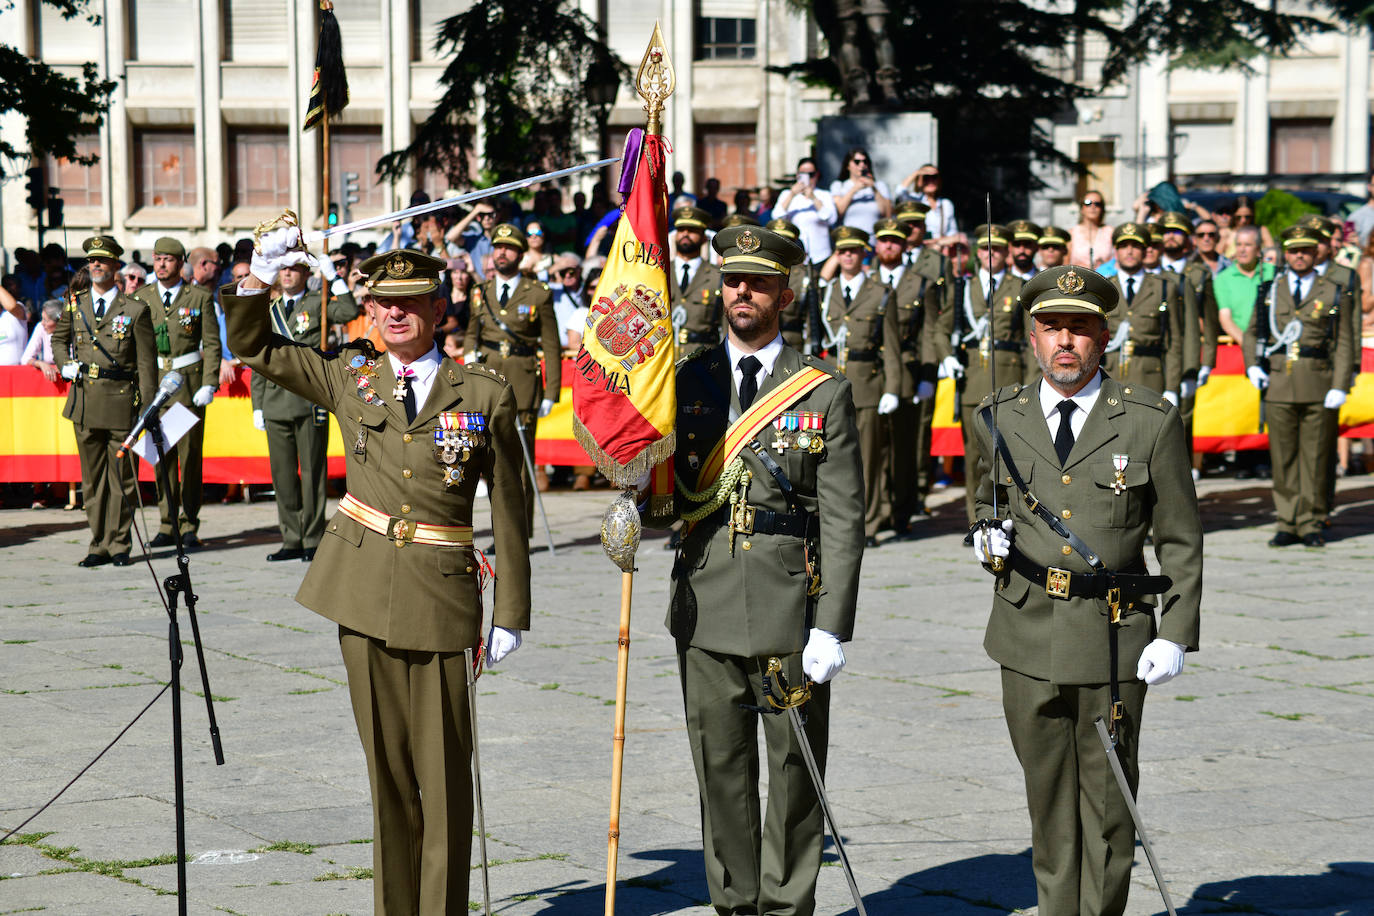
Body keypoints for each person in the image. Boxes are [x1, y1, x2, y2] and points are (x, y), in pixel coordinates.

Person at [223, 231, 531, 915]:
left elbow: (511, 505)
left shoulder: (482, 390)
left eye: (410, 302)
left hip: (443, 596)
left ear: (438, 306)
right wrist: (257, 281)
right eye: (383, 302)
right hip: (360, 594)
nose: (394, 314)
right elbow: (256, 348)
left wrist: (511, 609)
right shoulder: (349, 374)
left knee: (445, 779)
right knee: (388, 778)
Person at [970, 263, 1202, 916]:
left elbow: (1181, 537)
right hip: (1026, 630)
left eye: (1080, 329)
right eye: (1052, 329)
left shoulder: (1148, 422)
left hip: (1113, 636)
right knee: (1046, 798)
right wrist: (984, 536)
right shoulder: (998, 417)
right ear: (1032, 338)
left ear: (1106, 338)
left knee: (1106, 805)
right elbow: (984, 500)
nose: (1065, 342)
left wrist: (1177, 632)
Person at [653, 223, 864, 916]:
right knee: (719, 768)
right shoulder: (686, 378)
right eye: (734, 280)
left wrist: (832, 626)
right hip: (705, 595)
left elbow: (843, 518)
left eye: (760, 282)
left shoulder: (821, 388)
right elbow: (665, 493)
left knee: (795, 770)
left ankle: (787, 905)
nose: (744, 293)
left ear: (786, 291)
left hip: (789, 604)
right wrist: (632, 496)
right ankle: (734, 904)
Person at [1244, 224, 1356, 547]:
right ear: (1285, 254)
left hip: (1319, 380)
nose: (1299, 256)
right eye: (1293, 251)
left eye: (1305, 250)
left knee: (1316, 456)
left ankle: (1310, 521)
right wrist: (1252, 364)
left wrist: (1340, 384)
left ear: (1315, 252)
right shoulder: (1270, 290)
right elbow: (1253, 332)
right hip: (1279, 381)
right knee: (1283, 456)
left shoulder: (1333, 289)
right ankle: (1286, 520)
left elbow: (1344, 340)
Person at [51, 236, 158, 567]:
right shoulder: (75, 303)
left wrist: (148, 410)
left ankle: (119, 543)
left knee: (122, 478)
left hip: (121, 402)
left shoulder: (135, 309)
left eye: (102, 260)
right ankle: (98, 542)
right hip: (84, 402)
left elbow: (146, 365)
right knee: (91, 480)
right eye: (91, 261)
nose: (95, 265)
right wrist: (62, 362)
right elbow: (58, 338)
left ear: (115, 267)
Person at [250, 246, 359, 562]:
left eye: (295, 268)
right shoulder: (268, 310)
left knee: (312, 472)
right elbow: (260, 359)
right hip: (274, 399)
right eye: (283, 269)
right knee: (282, 474)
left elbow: (350, 312)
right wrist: (258, 404)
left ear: (306, 273)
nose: (287, 274)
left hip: (308, 398)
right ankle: (291, 537)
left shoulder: (318, 303)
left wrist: (334, 278)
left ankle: (312, 537)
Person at [463, 222, 560, 537]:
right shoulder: (481, 293)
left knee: (519, 465)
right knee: (487, 462)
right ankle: (496, 530)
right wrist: (467, 365)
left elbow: (551, 344)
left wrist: (551, 393)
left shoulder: (538, 294)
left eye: (509, 248)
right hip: (487, 383)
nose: (501, 253)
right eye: (498, 248)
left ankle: (517, 534)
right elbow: (471, 335)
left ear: (520, 254)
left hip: (522, 384)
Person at [128, 237, 221, 548]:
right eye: (157, 259)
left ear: (181, 263)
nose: (161, 265)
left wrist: (210, 381)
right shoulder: (142, 297)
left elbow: (211, 341)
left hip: (188, 383)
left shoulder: (198, 297)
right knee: (160, 456)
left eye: (168, 259)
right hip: (156, 385)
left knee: (190, 457)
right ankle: (167, 523)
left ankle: (189, 522)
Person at [942, 224, 1029, 524]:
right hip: (971, 378)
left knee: (1009, 452)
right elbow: (939, 329)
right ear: (977, 253)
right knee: (973, 455)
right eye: (985, 249)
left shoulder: (1019, 287)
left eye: (999, 250)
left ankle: (1010, 514)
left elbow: (1030, 338)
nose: (991, 255)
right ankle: (976, 517)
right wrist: (946, 357)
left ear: (1007, 253)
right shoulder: (962, 287)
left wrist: (1031, 383)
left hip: (1008, 376)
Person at [820, 225, 901, 546]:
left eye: (853, 250)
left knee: (868, 458)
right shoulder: (824, 292)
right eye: (842, 251)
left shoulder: (880, 292)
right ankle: (836, 519)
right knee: (829, 457)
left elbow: (891, 346)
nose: (847, 256)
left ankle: (868, 523)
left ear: (863, 253)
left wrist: (892, 387)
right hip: (830, 384)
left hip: (867, 383)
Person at [872, 216, 943, 533]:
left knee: (904, 444)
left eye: (895, 240)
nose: (888, 245)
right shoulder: (865, 281)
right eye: (883, 239)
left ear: (904, 245)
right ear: (876, 244)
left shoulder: (920, 282)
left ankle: (901, 512)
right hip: (873, 371)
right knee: (874, 445)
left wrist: (929, 373)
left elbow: (929, 331)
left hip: (909, 368)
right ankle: (877, 510)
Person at [1101, 222, 1187, 403]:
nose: (1130, 251)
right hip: (1110, 374)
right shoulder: (1105, 287)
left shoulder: (1163, 287)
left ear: (1145, 250)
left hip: (1150, 376)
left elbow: (1174, 342)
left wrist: (1172, 387)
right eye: (1124, 246)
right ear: (1116, 251)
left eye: (1136, 246)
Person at [668, 206, 725, 355]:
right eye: (681, 229)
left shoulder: (717, 276)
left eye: (692, 230)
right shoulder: (661, 273)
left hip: (702, 357)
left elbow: (725, 325)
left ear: (704, 237)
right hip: (665, 357)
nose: (685, 234)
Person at [773, 157, 837, 265]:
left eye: (811, 174)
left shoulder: (824, 195)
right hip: (795, 255)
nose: (806, 178)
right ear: (797, 175)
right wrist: (792, 194)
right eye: (802, 174)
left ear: (817, 175)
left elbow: (831, 219)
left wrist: (814, 198)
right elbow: (776, 217)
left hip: (820, 255)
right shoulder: (787, 194)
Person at [895, 163, 959, 252]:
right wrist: (917, 173)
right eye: (926, 178)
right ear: (919, 181)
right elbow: (900, 192)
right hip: (917, 248)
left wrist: (939, 242)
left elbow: (952, 232)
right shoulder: (914, 200)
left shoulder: (946, 204)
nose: (930, 181)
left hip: (940, 249)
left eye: (934, 177)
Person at [830, 147, 891, 235]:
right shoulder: (839, 185)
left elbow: (886, 214)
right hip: (850, 237)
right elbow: (838, 212)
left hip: (873, 239)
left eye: (865, 162)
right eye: (857, 162)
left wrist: (874, 189)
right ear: (847, 166)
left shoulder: (879, 186)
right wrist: (854, 189)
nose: (862, 165)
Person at [1068, 190, 1113, 268]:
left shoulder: (1110, 232)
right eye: (1088, 203)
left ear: (1102, 209)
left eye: (1097, 204)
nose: (1093, 207)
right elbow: (1065, 263)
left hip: (1104, 277)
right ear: (1081, 208)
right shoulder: (1071, 233)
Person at [23, 300, 63, 380]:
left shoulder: (74, 330)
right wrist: (40, 364)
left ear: (59, 322)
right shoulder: (40, 327)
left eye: (46, 320)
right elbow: (25, 358)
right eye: (42, 319)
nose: (42, 323)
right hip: (49, 379)